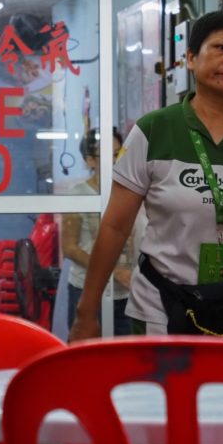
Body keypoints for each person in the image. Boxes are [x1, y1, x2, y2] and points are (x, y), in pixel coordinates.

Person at [69, 10, 223, 342]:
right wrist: (86, 311)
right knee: (169, 394)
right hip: (164, 307)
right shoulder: (154, 130)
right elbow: (115, 226)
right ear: (192, 59)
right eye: (220, 48)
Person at [61, 126, 133, 336]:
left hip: (127, 291)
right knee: (88, 359)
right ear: (90, 160)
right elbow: (70, 248)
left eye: (118, 153)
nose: (115, 160)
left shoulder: (130, 191)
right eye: (108, 155)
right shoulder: (79, 194)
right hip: (87, 290)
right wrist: (114, 271)